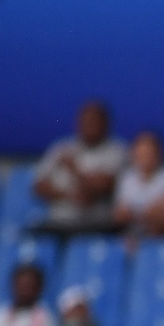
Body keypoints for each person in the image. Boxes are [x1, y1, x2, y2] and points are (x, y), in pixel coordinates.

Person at [32, 99, 127, 232]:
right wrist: (67, 195)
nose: (88, 126)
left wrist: (75, 169)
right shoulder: (61, 147)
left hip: (95, 224)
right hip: (58, 221)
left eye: (94, 121)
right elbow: (38, 186)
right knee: (30, 238)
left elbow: (104, 186)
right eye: (85, 121)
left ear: (105, 124)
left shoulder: (117, 150)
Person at [113, 130, 164, 237]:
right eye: (141, 152)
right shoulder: (127, 179)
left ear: (158, 153)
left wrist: (136, 213)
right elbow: (120, 215)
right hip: (131, 234)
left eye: (148, 152)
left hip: (162, 234)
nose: (145, 157)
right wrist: (144, 213)